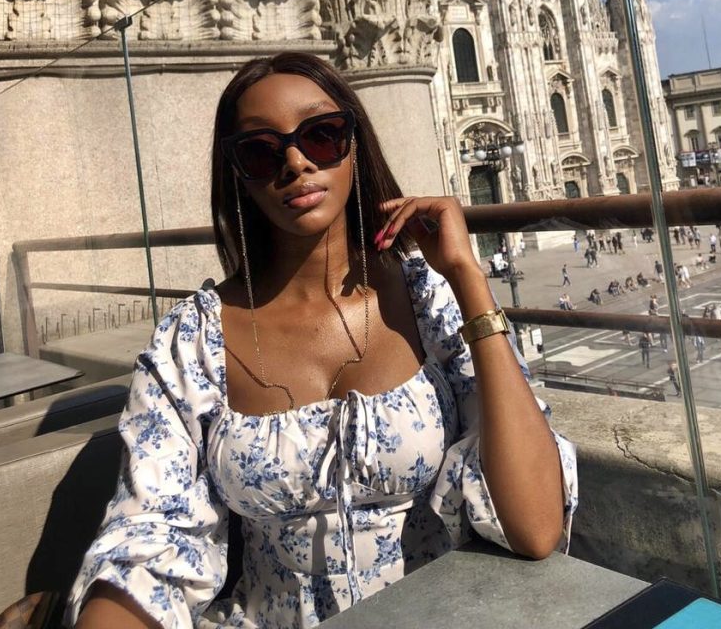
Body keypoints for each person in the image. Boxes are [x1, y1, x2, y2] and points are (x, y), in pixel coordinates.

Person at [67, 52, 577, 629]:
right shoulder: (193, 341)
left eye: (322, 135)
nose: (295, 161)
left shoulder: (429, 302)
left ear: (355, 145)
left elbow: (536, 527)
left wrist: (468, 278)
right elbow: (150, 535)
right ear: (238, 174)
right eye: (261, 151)